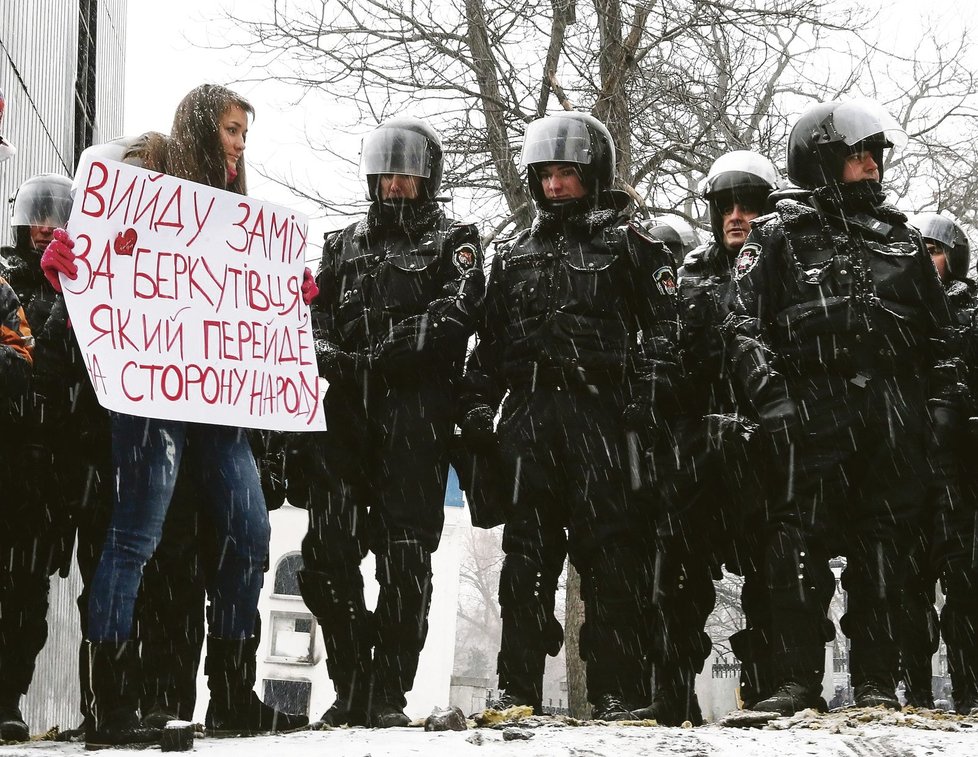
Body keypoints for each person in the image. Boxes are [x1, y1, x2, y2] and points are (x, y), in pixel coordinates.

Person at [41, 84, 310, 746]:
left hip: (217, 403)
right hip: (151, 394)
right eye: (229, 128)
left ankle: (230, 692)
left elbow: (242, 295)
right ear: (198, 126)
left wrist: (288, 294)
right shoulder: (143, 178)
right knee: (134, 537)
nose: (239, 144)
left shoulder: (236, 217)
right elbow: (103, 254)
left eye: (246, 133)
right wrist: (67, 263)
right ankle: (112, 702)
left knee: (249, 534)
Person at [722, 98, 958, 715]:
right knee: (796, 550)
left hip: (890, 415)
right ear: (823, 163)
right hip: (810, 413)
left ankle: (877, 683)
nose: (871, 168)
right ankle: (797, 680)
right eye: (856, 158)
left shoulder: (904, 245)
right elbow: (741, 324)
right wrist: (771, 398)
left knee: (884, 555)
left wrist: (937, 408)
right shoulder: (778, 238)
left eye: (873, 156)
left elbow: (943, 340)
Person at [459, 111, 680, 720]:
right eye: (546, 174)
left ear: (594, 174)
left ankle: (617, 690)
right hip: (531, 417)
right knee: (525, 558)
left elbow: (666, 330)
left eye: (567, 174)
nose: (555, 186)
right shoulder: (513, 255)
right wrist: (477, 404)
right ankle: (517, 689)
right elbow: (492, 344)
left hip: (602, 415)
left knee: (611, 557)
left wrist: (645, 397)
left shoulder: (634, 247)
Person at [292, 116, 485, 728]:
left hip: (415, 411)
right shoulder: (342, 243)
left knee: (405, 555)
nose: (395, 185)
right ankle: (350, 680)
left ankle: (387, 689)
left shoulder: (455, 238)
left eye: (407, 173)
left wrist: (387, 354)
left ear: (427, 177)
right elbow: (310, 313)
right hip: (346, 409)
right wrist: (334, 356)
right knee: (327, 551)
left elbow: (456, 314)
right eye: (386, 173)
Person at [644, 151, 782, 724]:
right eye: (725, 206)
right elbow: (670, 358)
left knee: (773, 574)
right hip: (698, 447)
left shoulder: (786, 269)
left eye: (747, 206)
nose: (735, 216)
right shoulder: (689, 278)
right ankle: (672, 694)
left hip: (766, 445)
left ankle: (770, 687)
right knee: (676, 574)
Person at [904, 212, 978, 714]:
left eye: (935, 250)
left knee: (965, 587)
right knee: (907, 590)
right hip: (908, 467)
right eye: (921, 250)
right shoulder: (900, 313)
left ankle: (970, 692)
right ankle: (915, 693)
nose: (928, 260)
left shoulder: (972, 313)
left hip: (961, 475)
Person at [0, 180, 50, 742]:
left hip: (42, 461)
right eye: (36, 214)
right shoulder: (4, 276)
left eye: (56, 215)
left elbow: (27, 361)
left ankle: (8, 697)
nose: (45, 224)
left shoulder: (80, 284)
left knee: (25, 586)